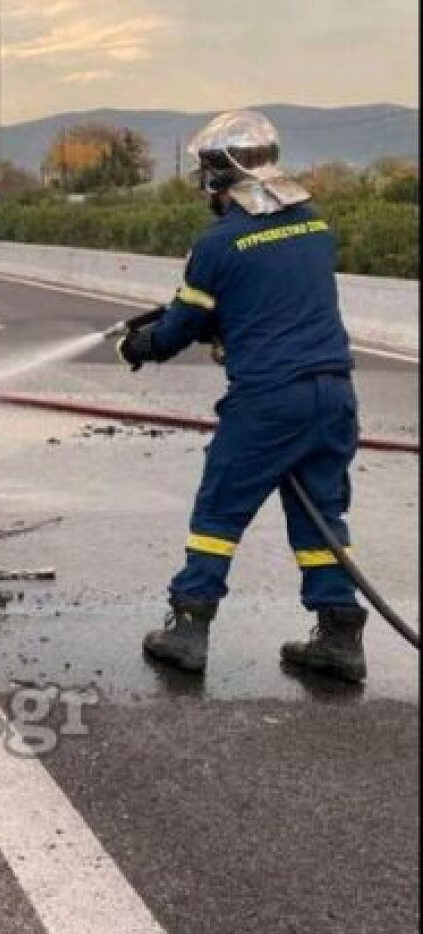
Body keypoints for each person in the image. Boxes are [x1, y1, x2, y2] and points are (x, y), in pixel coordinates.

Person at [117, 109, 367, 682]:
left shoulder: (219, 244)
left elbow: (179, 331)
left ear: (218, 176)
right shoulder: (314, 226)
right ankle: (340, 637)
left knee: (220, 510)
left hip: (269, 400)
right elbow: (269, 298)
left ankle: (189, 628)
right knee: (321, 516)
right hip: (334, 396)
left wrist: (138, 345)